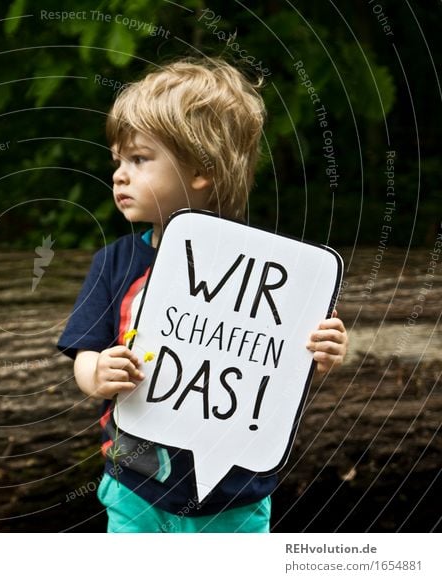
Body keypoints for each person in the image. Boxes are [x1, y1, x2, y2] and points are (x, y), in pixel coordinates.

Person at [57, 57, 348, 533]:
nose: (119, 176)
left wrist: (323, 349)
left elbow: (286, 364)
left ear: (200, 171)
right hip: (135, 484)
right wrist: (97, 373)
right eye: (118, 161)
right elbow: (83, 355)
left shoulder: (264, 271)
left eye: (139, 159)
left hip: (235, 496)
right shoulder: (114, 263)